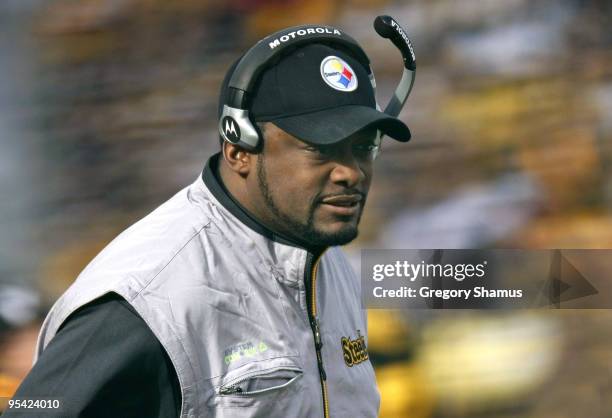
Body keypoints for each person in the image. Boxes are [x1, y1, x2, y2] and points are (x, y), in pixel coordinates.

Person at [5, 22, 411, 418]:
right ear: (239, 150)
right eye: (320, 150)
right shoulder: (147, 298)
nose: (351, 172)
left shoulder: (324, 256)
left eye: (363, 147)